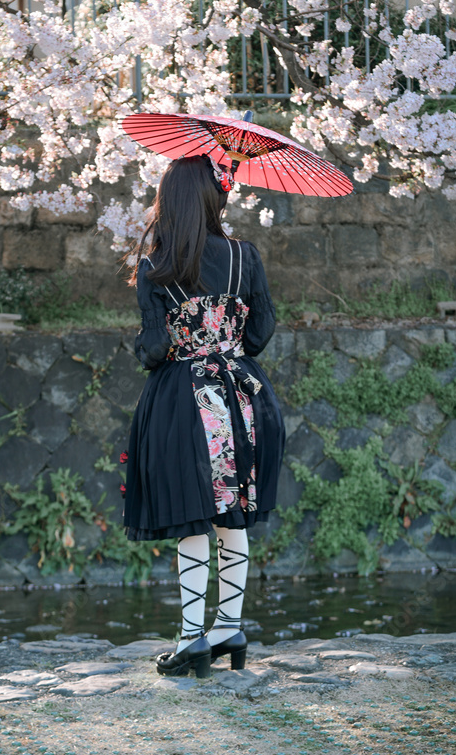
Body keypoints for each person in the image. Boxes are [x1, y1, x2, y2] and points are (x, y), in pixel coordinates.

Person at [122, 153, 285, 679]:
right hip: (242, 401)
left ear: (171, 203)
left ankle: (193, 636)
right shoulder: (245, 256)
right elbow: (259, 334)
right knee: (231, 511)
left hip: (182, 404)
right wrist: (226, 341)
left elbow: (152, 350)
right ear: (215, 197)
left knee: (192, 514)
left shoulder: (156, 268)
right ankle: (229, 628)